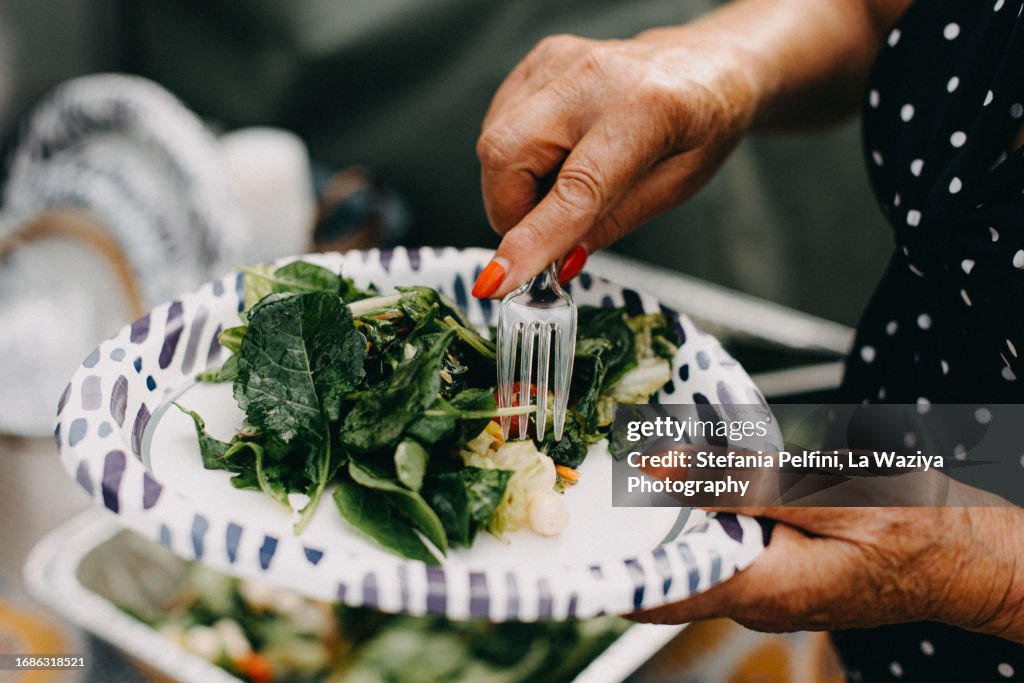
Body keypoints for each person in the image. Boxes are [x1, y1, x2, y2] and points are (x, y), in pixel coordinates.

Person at [472, 0, 1024, 679]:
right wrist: (720, 63)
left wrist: (983, 566)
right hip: (892, 466)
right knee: (625, 470)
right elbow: (873, 12)